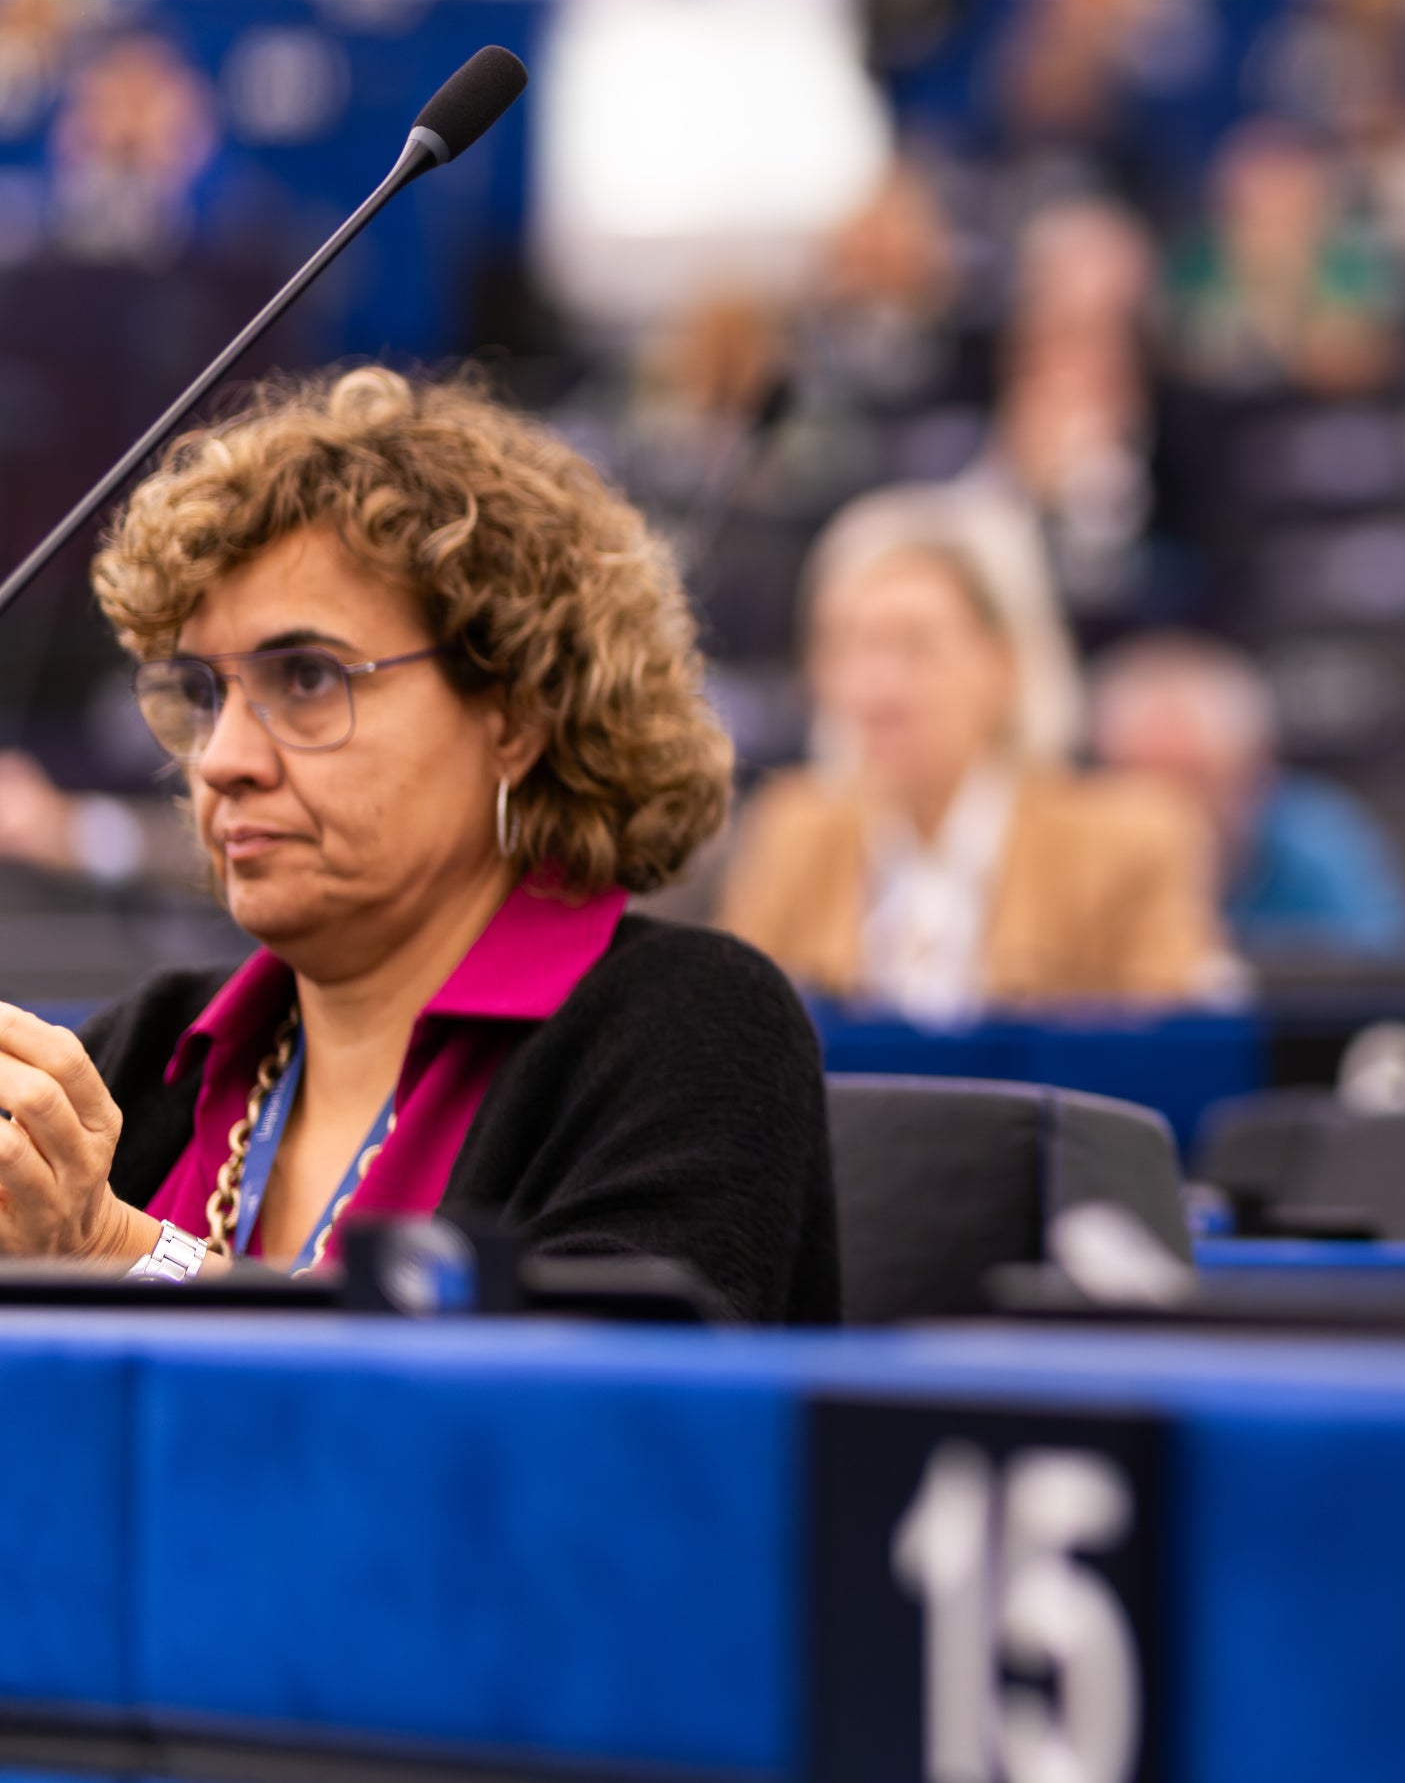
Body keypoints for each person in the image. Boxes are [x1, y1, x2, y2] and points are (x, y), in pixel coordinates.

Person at [1, 368, 836, 1320]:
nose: (223, 759)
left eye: (307, 679)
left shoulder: (692, 1027)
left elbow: (584, 1400)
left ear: (514, 715)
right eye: (202, 694)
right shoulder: (144, 1054)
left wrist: (122, 1257)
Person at [719, 485, 1234, 1021]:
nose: (875, 688)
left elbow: (1173, 1054)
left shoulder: (1125, 845)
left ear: (1006, 663)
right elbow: (738, 1041)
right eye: (847, 644)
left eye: (916, 646)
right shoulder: (792, 835)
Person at [1091, 633, 1405, 961]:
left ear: (1258, 769)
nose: (1168, 814)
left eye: (1195, 779)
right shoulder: (1080, 865)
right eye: (1139, 787)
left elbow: (1402, 966)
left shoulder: (1315, 838)